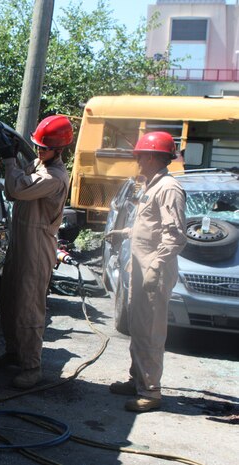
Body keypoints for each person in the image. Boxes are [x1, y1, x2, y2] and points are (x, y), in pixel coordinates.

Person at [105, 131, 186, 412]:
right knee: (138, 328)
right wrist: (124, 231)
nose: (137, 161)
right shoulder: (152, 185)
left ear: (152, 157)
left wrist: (154, 266)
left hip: (153, 270)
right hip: (141, 268)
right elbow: (149, 227)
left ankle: (150, 391)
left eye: (140, 156)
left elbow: (174, 236)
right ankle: (137, 379)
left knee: (150, 332)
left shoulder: (168, 188)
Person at [0, 115, 72, 389]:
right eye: (38, 146)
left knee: (29, 306)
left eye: (44, 147)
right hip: (21, 238)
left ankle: (32, 366)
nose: (39, 151)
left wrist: (8, 160)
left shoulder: (54, 177)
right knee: (11, 298)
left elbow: (15, 189)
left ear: (59, 150)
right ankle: (14, 352)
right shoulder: (39, 163)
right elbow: (14, 184)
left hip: (37, 243)